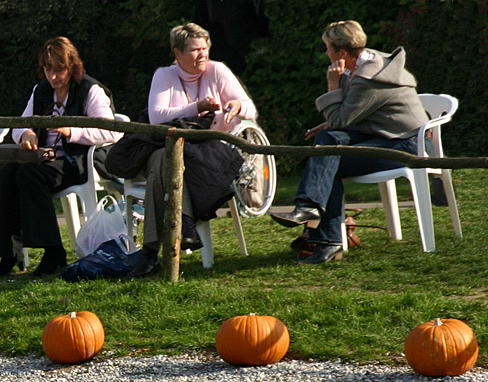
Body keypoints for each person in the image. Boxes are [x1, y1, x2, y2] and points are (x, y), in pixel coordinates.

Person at [270, 20, 429, 264]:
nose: (326, 53)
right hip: (383, 135)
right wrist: (329, 124)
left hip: (406, 145)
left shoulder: (369, 78)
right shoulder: (366, 63)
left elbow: (341, 119)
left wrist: (332, 85)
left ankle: (326, 237)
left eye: (328, 48)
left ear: (342, 53)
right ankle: (312, 212)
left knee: (328, 161)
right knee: (327, 140)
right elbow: (346, 119)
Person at [128, 22, 256, 278]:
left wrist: (237, 106)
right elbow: (157, 117)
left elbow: (249, 107)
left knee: (162, 165)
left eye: (205, 48)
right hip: (170, 147)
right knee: (165, 159)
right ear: (177, 53)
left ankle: (150, 253)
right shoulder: (164, 75)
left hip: (210, 151)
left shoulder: (217, 70)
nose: (202, 54)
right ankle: (184, 226)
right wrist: (196, 107)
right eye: (195, 50)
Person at [0, 37, 121, 277]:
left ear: (72, 66)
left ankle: (53, 251)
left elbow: (110, 130)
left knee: (29, 175)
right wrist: (26, 134)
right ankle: (10, 253)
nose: (53, 76)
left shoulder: (90, 90)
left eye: (59, 70)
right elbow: (19, 125)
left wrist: (73, 132)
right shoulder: (40, 91)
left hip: (76, 160)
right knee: (9, 174)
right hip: (45, 159)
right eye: (48, 70)